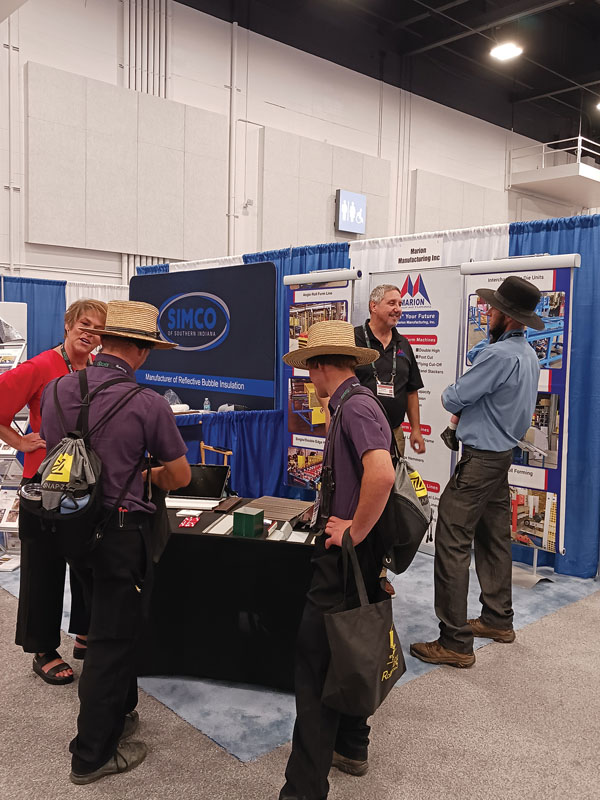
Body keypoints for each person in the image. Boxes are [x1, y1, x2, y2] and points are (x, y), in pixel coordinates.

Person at [39, 300, 191, 784]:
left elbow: (54, 451)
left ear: (103, 340)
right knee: (111, 639)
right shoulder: (147, 403)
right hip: (122, 533)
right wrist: (144, 473)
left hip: (69, 526)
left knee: (103, 619)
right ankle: (92, 754)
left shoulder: (57, 389)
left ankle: (121, 714)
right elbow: (181, 476)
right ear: (143, 351)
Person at [279, 320, 396, 800]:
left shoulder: (356, 407)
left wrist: (353, 529)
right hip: (355, 558)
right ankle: (352, 745)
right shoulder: (351, 404)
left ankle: (303, 790)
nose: (309, 377)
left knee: (314, 669)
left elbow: (382, 474)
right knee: (350, 648)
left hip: (344, 560)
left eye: (310, 368)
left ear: (322, 365)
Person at [410, 276, 542, 668]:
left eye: (492, 309)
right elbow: (477, 358)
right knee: (493, 536)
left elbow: (454, 395)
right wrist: (491, 341)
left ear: (506, 315)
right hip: (499, 458)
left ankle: (454, 640)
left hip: (481, 459)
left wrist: (457, 391)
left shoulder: (499, 357)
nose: (487, 312)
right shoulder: (525, 355)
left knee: (451, 539)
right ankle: (497, 619)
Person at [0, 298, 107, 685]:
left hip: (84, 481)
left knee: (86, 558)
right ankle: (42, 648)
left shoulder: (95, 368)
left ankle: (84, 632)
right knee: (43, 566)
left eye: (98, 328)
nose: (90, 333)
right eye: (85, 324)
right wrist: (20, 440)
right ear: (68, 324)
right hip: (44, 480)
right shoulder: (41, 365)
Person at [354, 284, 425, 457]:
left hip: (394, 433)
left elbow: (411, 390)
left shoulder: (403, 344)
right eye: (392, 303)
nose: (398, 309)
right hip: (358, 432)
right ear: (373, 306)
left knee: (394, 482)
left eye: (400, 304)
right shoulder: (352, 339)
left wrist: (416, 429)